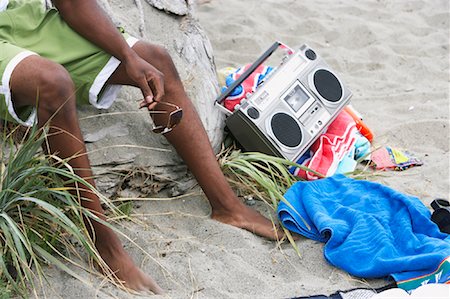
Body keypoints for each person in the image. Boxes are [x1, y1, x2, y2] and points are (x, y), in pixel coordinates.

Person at [0, 0, 280, 294]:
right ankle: (105, 247)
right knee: (52, 82)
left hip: (23, 15)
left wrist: (128, 56)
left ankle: (227, 206)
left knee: (153, 59)